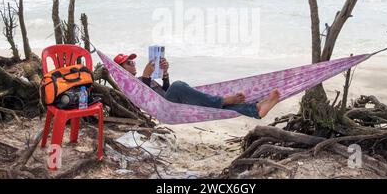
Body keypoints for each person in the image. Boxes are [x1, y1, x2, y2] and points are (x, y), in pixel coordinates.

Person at [113, 52, 281, 119]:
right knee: (179, 86)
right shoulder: (130, 85)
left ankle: (256, 109)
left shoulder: (140, 80)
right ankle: (222, 100)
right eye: (129, 62)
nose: (133, 63)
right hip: (164, 110)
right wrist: (146, 75)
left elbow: (164, 92)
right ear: (121, 69)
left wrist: (165, 74)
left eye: (133, 60)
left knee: (205, 103)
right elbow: (143, 99)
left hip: (168, 103)